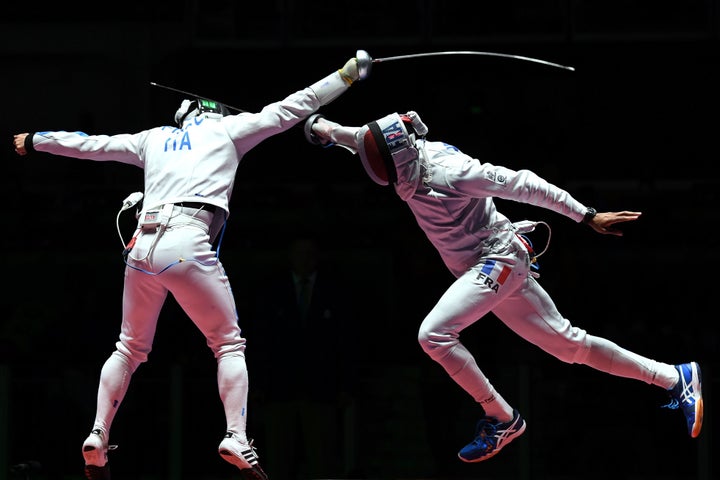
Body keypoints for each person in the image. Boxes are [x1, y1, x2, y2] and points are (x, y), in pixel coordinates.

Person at [11, 51, 370, 480]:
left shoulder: (153, 139)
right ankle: (235, 436)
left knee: (129, 347)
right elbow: (297, 105)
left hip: (142, 245)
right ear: (211, 114)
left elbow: (92, 145)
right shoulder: (231, 130)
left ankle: (98, 434)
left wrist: (36, 139)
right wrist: (347, 75)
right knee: (228, 344)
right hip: (187, 241)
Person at [302, 110, 704, 463]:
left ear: (402, 156)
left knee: (434, 335)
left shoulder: (452, 171)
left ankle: (501, 418)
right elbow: (354, 137)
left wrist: (587, 216)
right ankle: (673, 376)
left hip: (498, 258)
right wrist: (317, 126)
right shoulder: (395, 152)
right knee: (569, 346)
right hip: (482, 268)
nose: (379, 171)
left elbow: (525, 184)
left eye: (383, 162)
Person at [248, 235, 357, 479]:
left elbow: (346, 342)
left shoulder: (335, 292)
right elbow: (261, 341)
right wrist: (258, 386)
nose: (305, 259)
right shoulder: (273, 292)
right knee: (278, 459)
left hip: (321, 391)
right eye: (300, 253)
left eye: (309, 253)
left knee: (322, 459)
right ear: (291, 256)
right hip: (279, 391)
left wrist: (345, 386)